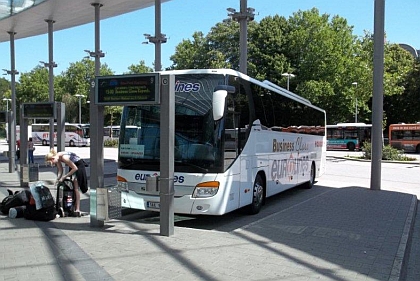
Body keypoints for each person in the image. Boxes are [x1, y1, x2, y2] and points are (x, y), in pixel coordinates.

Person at [45, 149, 88, 217]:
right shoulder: (57, 158)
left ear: (53, 158)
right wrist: (58, 179)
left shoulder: (64, 157)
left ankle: (77, 209)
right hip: (73, 166)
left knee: (76, 188)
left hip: (78, 166)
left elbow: (75, 168)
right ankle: (73, 208)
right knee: (73, 187)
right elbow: (60, 170)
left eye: (52, 163)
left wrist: (64, 177)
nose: (53, 164)